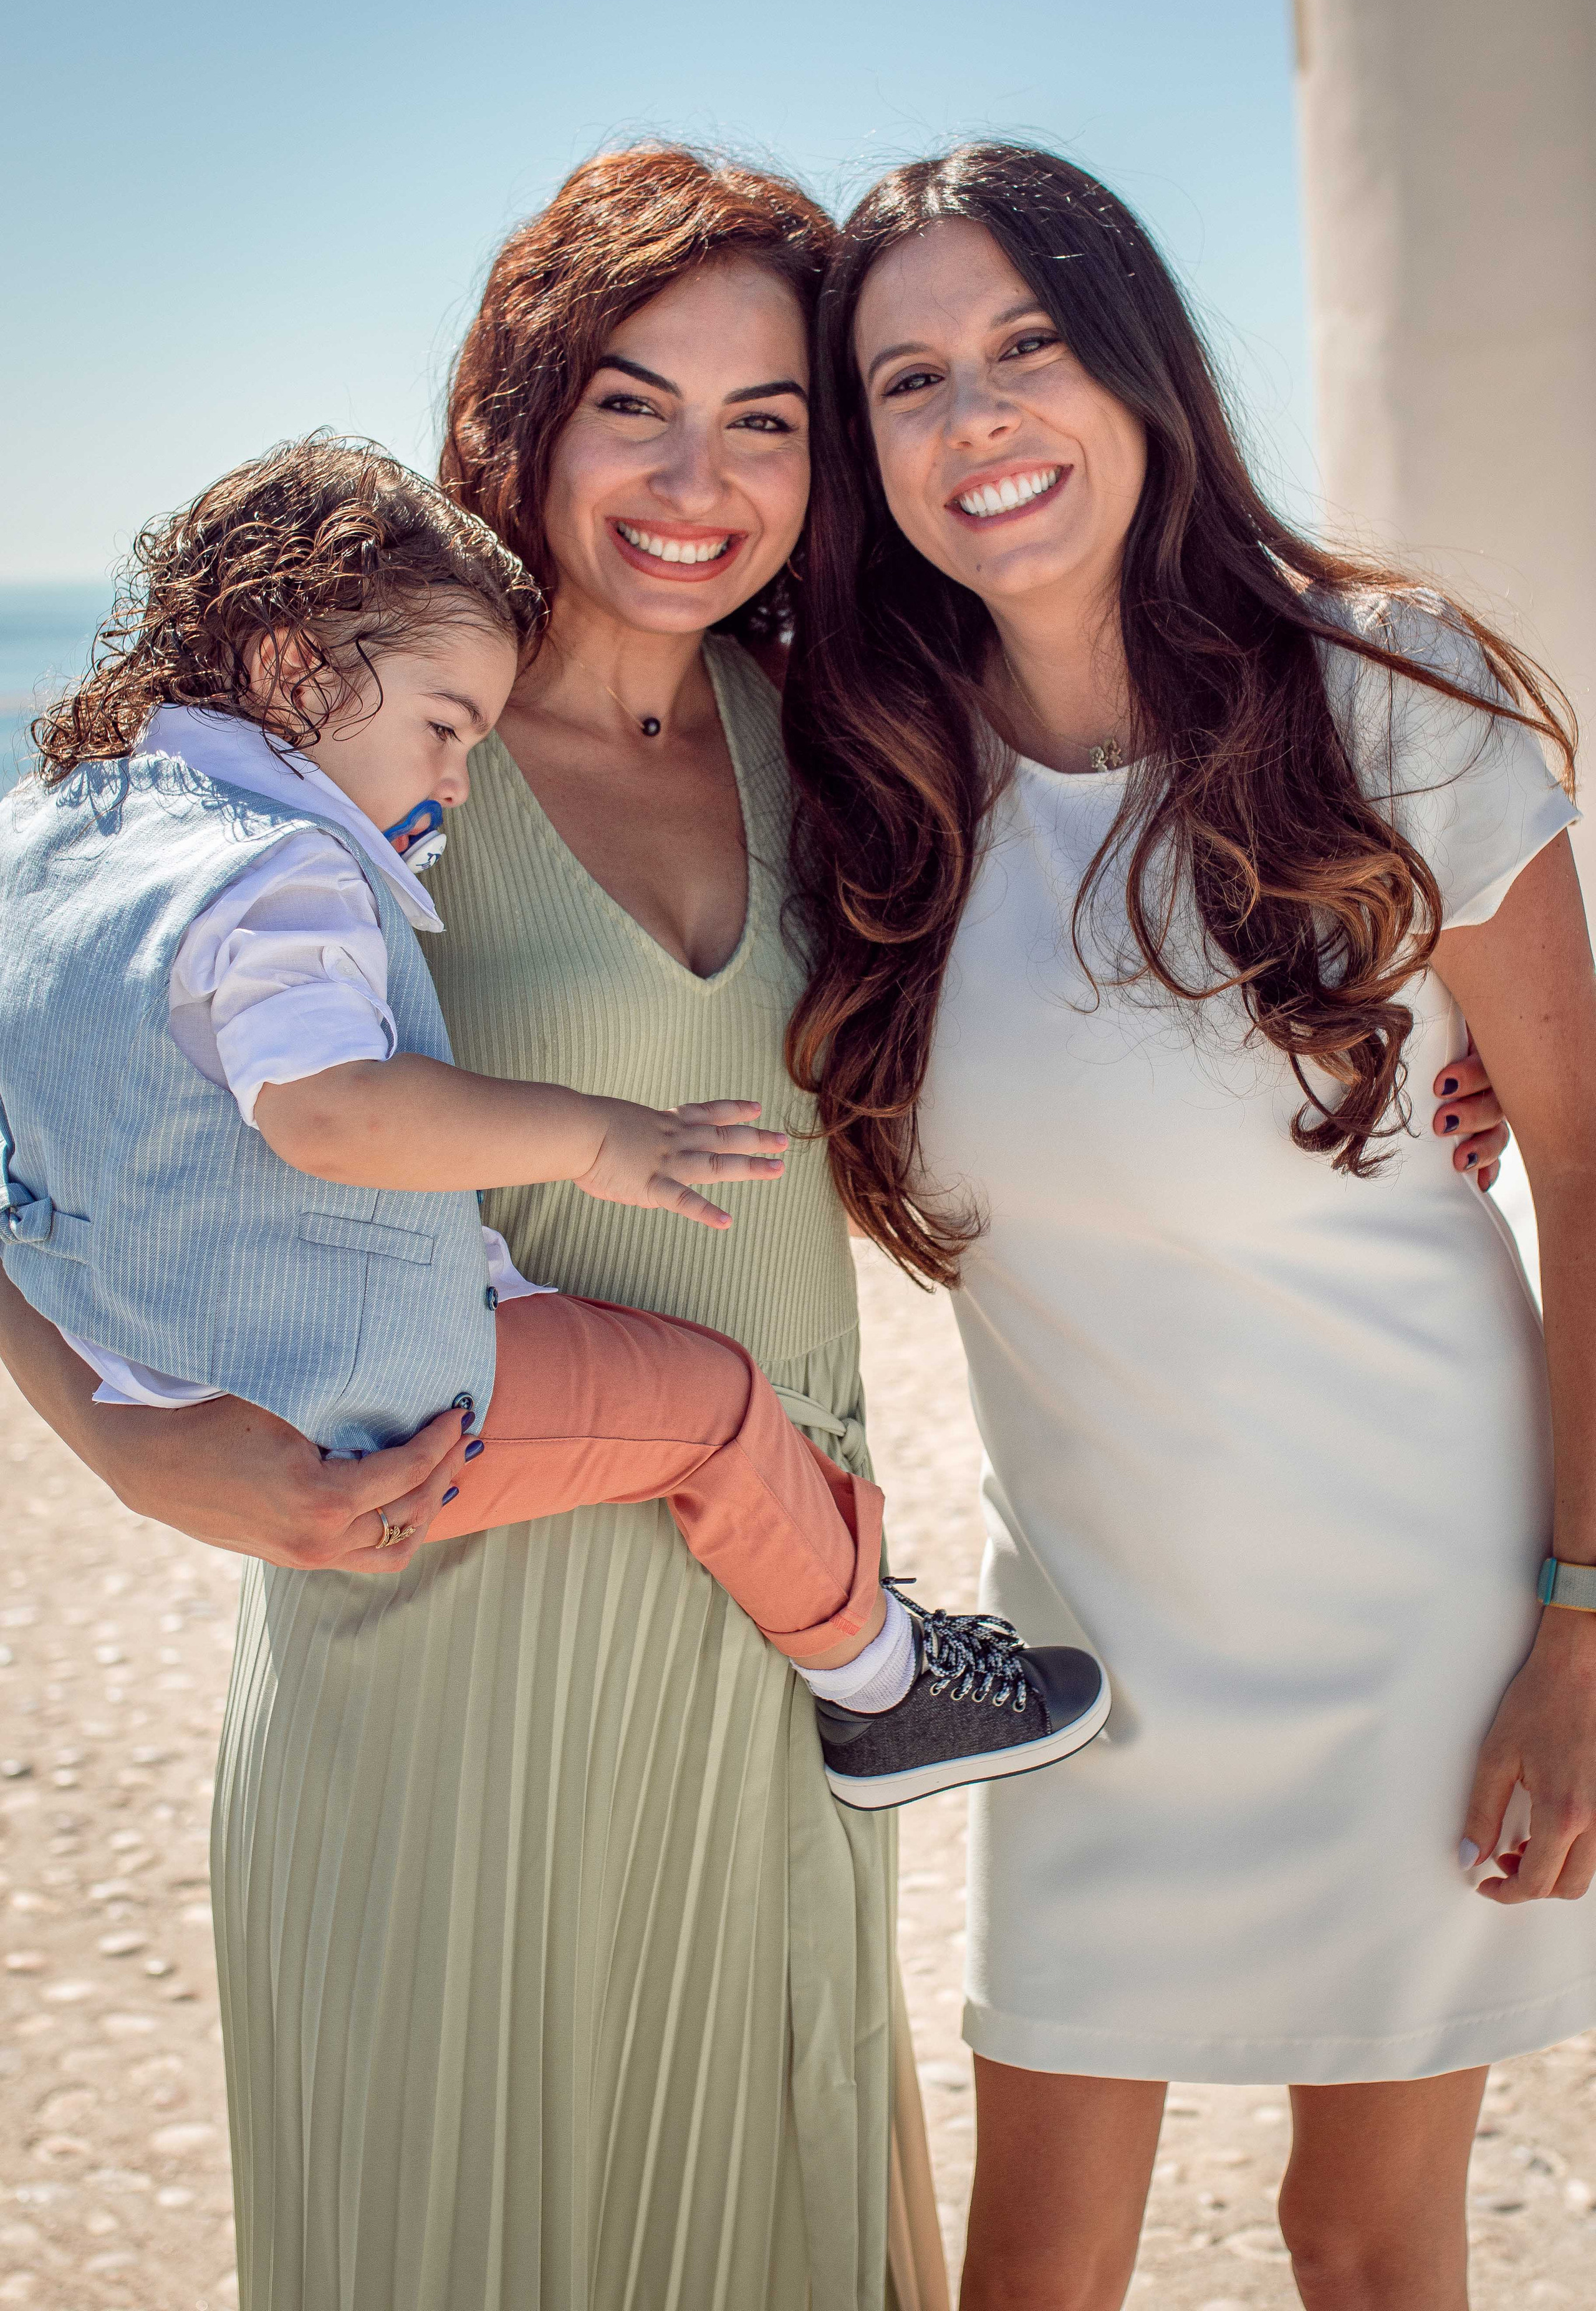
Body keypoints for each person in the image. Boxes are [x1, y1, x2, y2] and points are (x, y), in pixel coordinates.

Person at [0, 145, 1512, 2311]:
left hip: (790, 1635)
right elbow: (32, 1068)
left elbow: (1124, 967)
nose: (696, 478)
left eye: (770, 417)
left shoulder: (855, 733)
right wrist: (105, 1433)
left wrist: (1413, 1055)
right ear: (526, 405)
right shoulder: (352, 745)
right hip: (443, 1618)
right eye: (634, 399)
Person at [786, 142, 1596, 2311]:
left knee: (1363, 2239)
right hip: (1096, 1650)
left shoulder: (1388, 698)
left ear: (1143, 364)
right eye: (909, 380)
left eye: (1028, 346)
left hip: (1424, 1618)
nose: (980, 420)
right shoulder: (874, 777)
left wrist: (1586, 1621)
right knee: (1033, 2269)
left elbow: (1593, 1176)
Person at [0, 433, 1103, 1810]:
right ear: (295, 674)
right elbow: (332, 1115)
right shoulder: (280, 877)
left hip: (138, 1341)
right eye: (445, 728)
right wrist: (596, 1138)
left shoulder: (64, 827)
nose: (459, 780)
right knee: (712, 1407)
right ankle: (879, 1684)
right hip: (355, 1396)